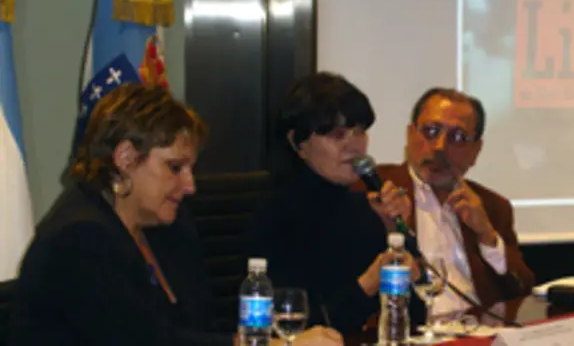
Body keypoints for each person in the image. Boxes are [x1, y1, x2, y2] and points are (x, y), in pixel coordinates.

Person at [9, 83, 341, 346]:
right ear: (125, 158)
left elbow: (200, 327)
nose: (190, 186)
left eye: (190, 169)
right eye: (175, 167)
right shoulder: (80, 239)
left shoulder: (164, 224)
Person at [244, 72, 423, 335]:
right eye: (338, 135)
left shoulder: (367, 208)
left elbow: (417, 315)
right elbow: (289, 330)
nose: (355, 146)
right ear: (298, 143)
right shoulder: (274, 215)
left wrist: (395, 232)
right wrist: (368, 285)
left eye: (360, 132)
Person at [353, 87, 535, 316]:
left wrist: (486, 235)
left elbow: (522, 289)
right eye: (430, 131)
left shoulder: (492, 206)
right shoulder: (373, 191)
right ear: (410, 135)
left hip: (476, 333)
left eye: (457, 137)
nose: (439, 146)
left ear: (476, 150)